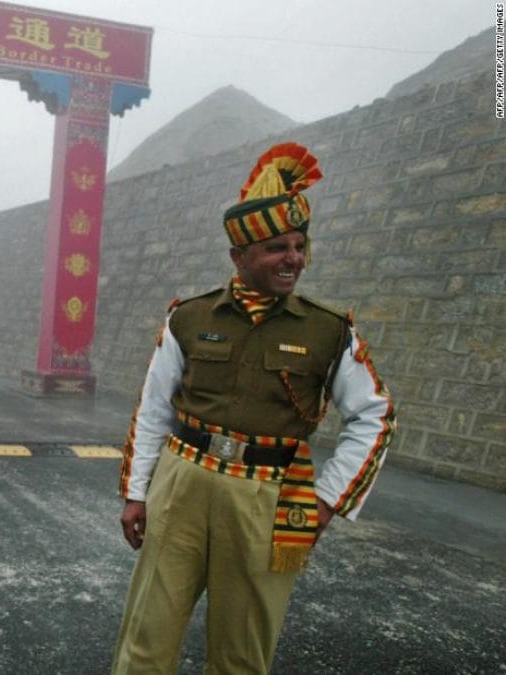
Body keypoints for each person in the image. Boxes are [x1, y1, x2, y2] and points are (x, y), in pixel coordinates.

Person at [111, 143, 396, 674]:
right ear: (238, 258)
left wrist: (329, 500)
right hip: (182, 485)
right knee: (148, 636)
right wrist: (136, 492)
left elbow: (376, 415)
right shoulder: (189, 317)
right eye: (275, 248)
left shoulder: (328, 329)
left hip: (269, 497)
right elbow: (152, 410)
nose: (293, 259)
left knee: (242, 652)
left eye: (299, 245)